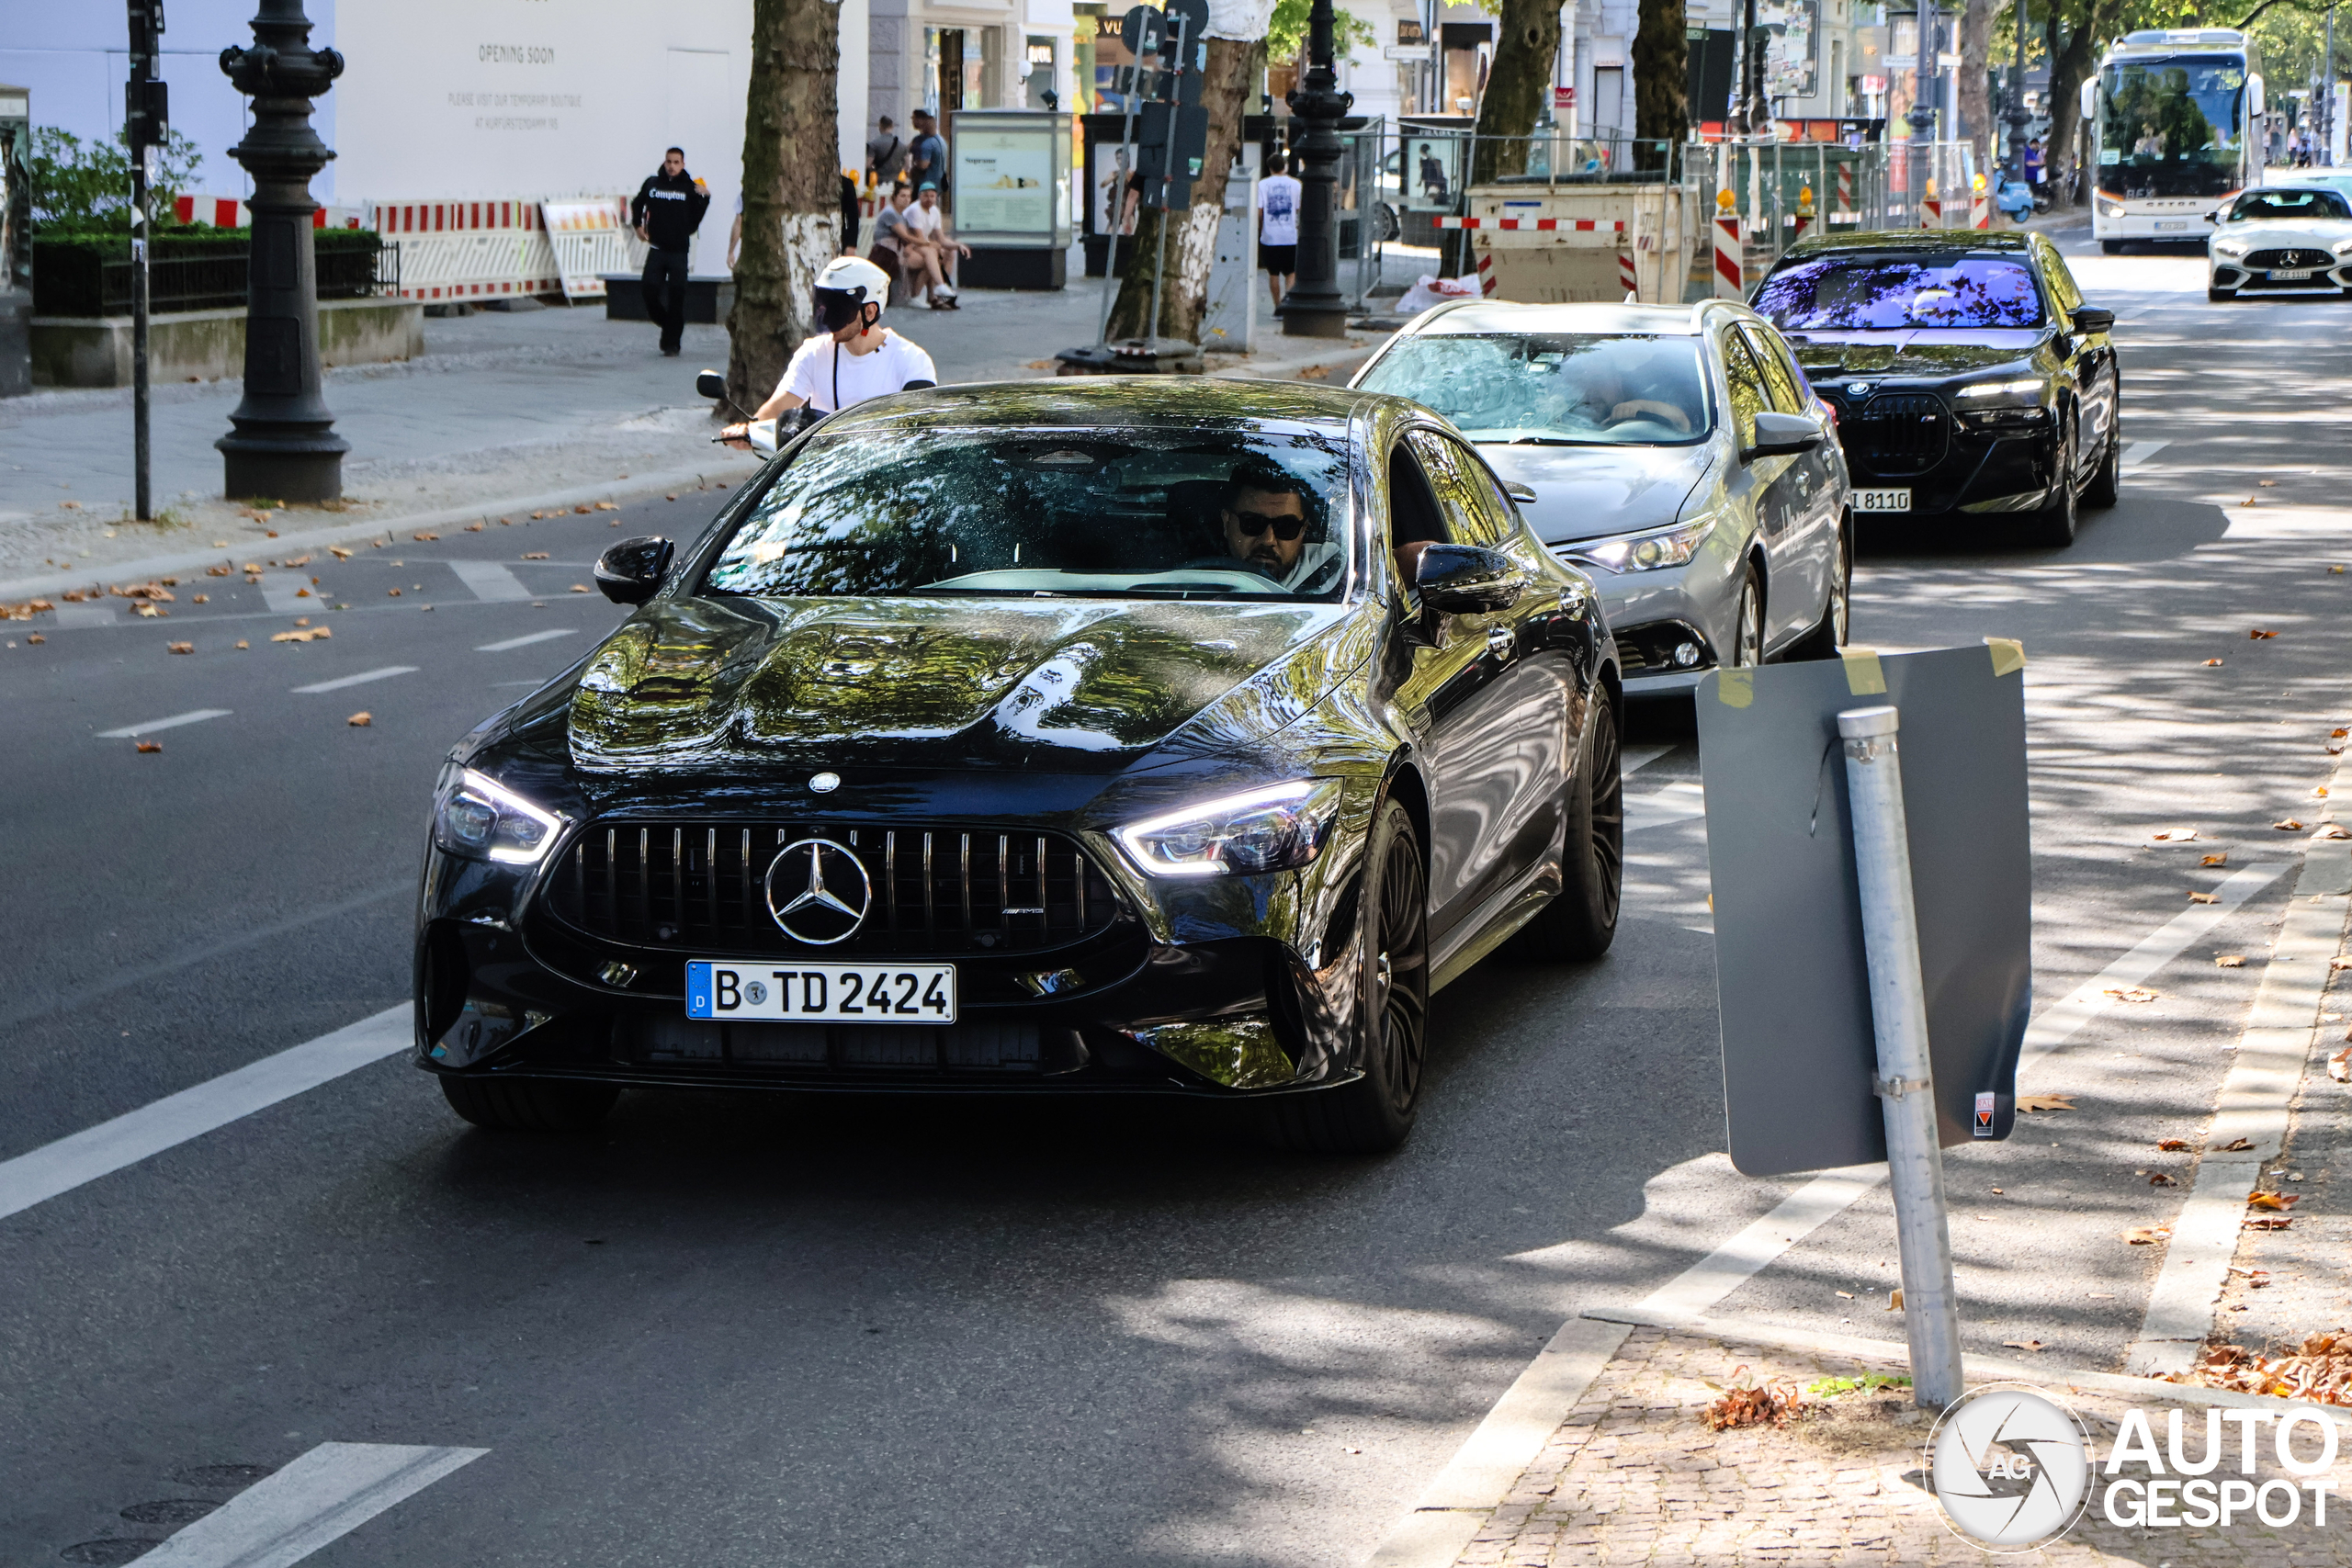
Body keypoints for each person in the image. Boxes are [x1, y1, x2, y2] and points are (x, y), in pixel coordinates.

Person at [720, 256, 937, 446]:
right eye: (823, 305)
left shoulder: (912, 361)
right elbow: (780, 406)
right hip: (823, 474)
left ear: (869, 312)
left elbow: (919, 430)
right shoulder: (814, 353)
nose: (827, 317)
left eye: (839, 309)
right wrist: (750, 431)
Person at [631, 146, 711, 356]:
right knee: (649, 289)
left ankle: (671, 343)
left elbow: (696, 219)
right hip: (657, 249)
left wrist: (705, 197)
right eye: (669, 162)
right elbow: (637, 203)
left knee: (677, 297)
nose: (672, 166)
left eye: (676, 162)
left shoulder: (690, 187)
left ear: (683, 164)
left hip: (678, 252)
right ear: (664, 162)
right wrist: (638, 227)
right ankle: (667, 323)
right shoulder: (652, 183)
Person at [1216, 462, 1330, 591]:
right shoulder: (1194, 581)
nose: (1268, 540)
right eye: (1253, 523)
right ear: (1227, 523)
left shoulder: (1331, 568)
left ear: (1303, 530)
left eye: (1286, 526)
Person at [904, 184, 969, 307]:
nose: (929, 199)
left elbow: (942, 239)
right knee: (932, 255)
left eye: (932, 196)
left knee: (949, 251)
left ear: (936, 197)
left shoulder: (935, 211)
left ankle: (940, 292)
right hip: (910, 245)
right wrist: (936, 245)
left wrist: (958, 246)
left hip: (923, 245)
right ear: (919, 196)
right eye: (926, 196)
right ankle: (924, 293)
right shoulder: (914, 210)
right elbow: (919, 238)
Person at [1257, 151, 1301, 307]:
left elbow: (1260, 211)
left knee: (1273, 273)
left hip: (1270, 236)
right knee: (1291, 272)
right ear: (1285, 166)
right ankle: (1288, 302)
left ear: (1270, 168)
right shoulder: (1296, 184)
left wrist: (1261, 228)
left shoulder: (1262, 184)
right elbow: (1298, 208)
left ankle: (1277, 306)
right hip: (1290, 235)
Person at [908, 109, 949, 205]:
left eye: (914, 118)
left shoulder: (927, 144)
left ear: (922, 120)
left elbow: (923, 165)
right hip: (938, 185)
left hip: (925, 186)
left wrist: (914, 168)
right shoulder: (940, 140)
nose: (913, 120)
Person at [865, 116, 908, 186]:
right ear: (892, 126)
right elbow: (907, 165)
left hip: (879, 181)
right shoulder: (902, 146)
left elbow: (868, 164)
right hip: (897, 181)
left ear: (880, 126)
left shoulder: (874, 144)